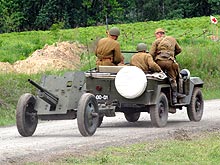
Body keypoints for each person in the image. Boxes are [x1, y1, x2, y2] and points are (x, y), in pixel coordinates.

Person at [149, 28, 183, 104]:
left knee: (156, 76)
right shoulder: (172, 39)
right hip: (170, 62)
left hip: (159, 62)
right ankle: (175, 97)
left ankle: (157, 93)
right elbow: (179, 50)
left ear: (157, 34)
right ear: (163, 33)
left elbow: (151, 54)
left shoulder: (156, 41)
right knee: (173, 78)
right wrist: (172, 55)